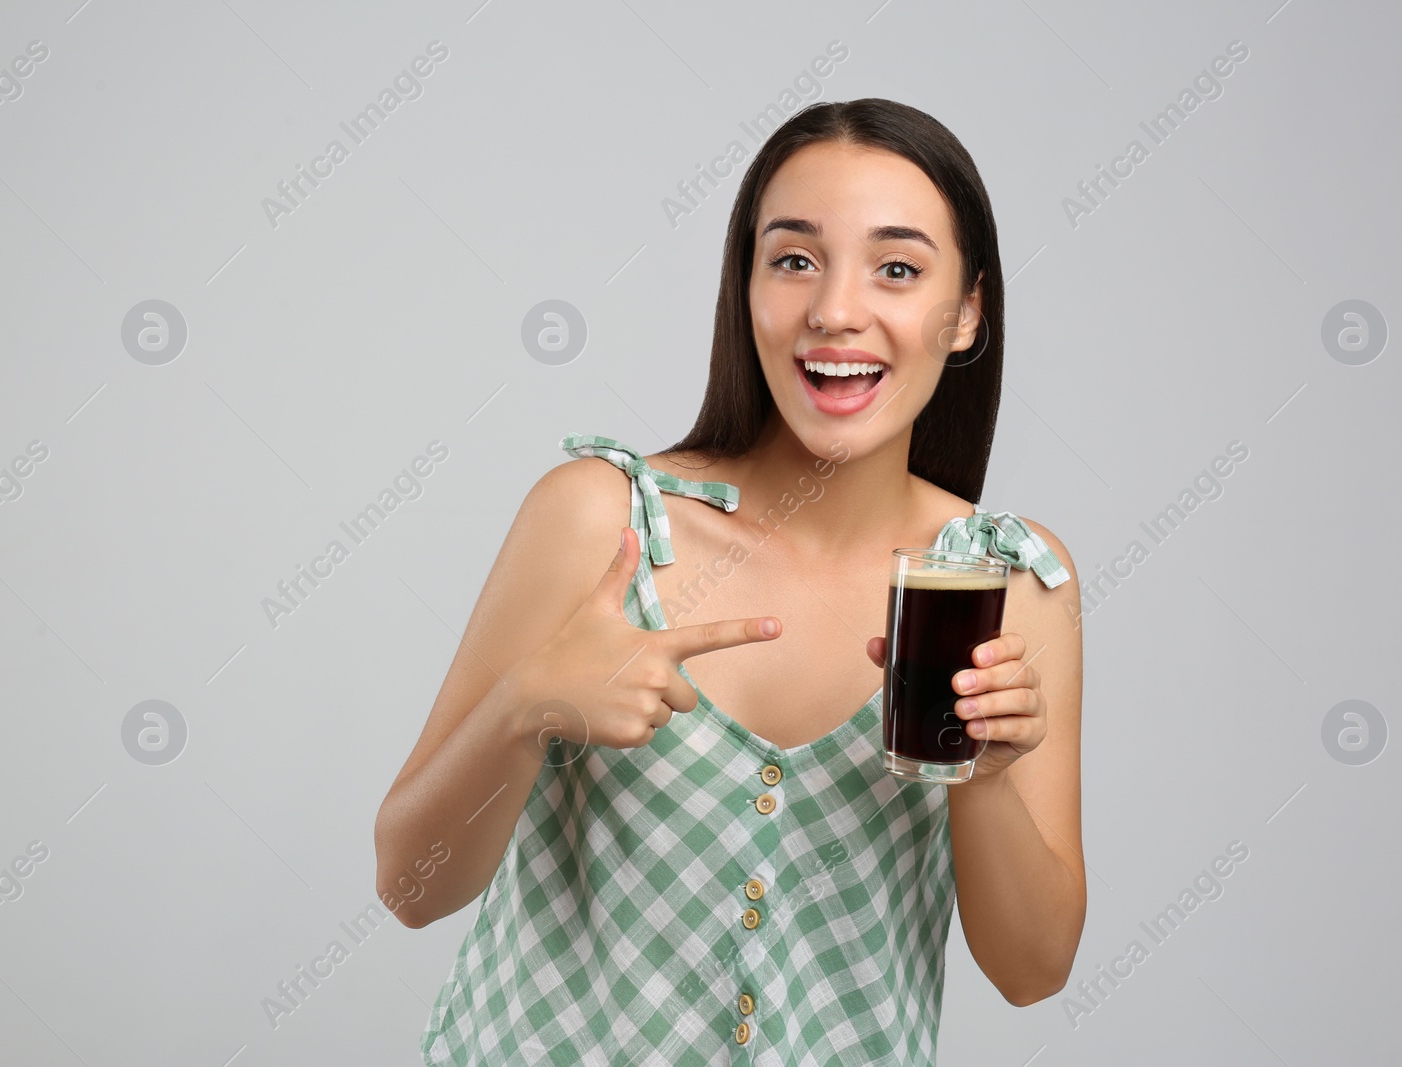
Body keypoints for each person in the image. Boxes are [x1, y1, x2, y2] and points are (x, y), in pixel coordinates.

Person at [375, 96, 1086, 1066]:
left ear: (965, 312)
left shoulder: (1002, 581)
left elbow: (1031, 967)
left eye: (897, 268)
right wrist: (524, 704)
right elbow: (411, 887)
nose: (835, 309)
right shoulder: (600, 519)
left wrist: (987, 777)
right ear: (744, 288)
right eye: (793, 258)